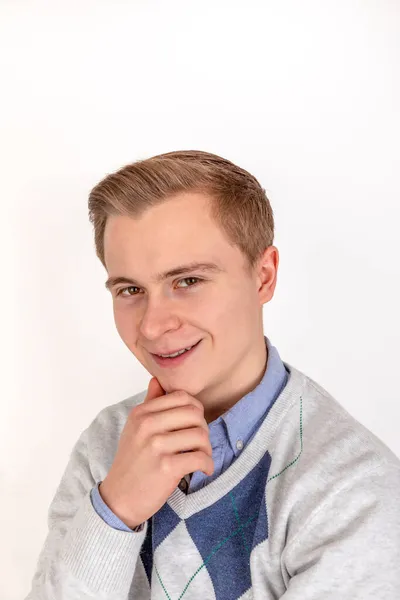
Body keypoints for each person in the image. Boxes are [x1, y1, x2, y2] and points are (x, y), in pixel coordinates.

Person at [26, 150, 400, 600]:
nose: (151, 325)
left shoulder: (352, 488)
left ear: (263, 276)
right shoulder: (107, 445)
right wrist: (116, 509)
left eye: (187, 282)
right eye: (130, 290)